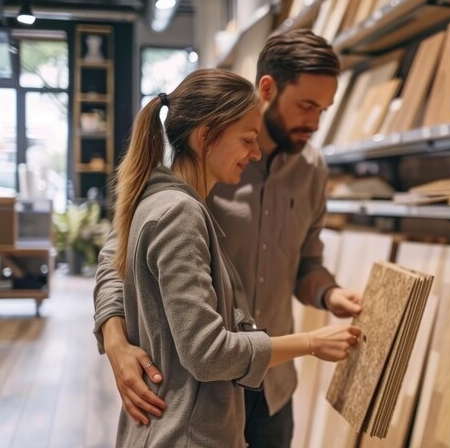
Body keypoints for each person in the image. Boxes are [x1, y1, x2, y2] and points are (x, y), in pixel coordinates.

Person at [94, 31, 361, 447]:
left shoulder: (311, 170)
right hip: (197, 397)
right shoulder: (194, 178)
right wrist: (114, 340)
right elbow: (119, 260)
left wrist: (329, 295)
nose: (315, 122)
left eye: (324, 110)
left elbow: (307, 264)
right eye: (306, 105)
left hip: (271, 385)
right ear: (268, 88)